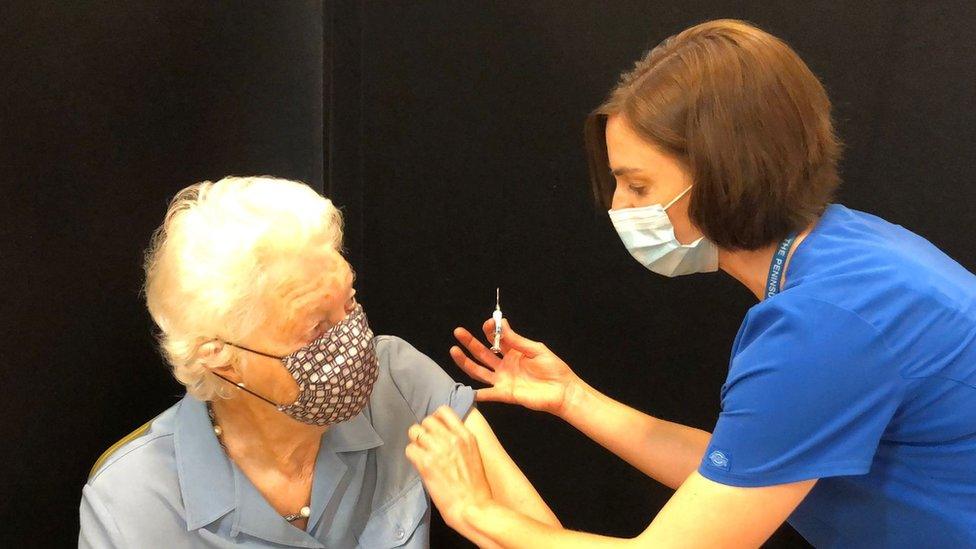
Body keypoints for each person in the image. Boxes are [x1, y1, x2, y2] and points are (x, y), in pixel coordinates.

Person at [403, 19, 976, 548]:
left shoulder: (825, 325)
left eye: (638, 186)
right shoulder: (852, 251)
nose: (618, 208)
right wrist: (571, 398)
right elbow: (743, 470)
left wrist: (475, 510)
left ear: (726, 175)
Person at [79, 176, 559, 548]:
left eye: (349, 304)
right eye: (315, 329)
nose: (354, 340)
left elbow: (540, 535)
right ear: (222, 360)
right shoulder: (133, 500)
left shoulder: (399, 380)